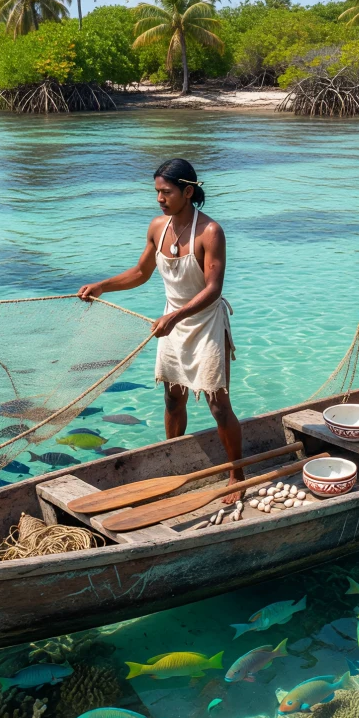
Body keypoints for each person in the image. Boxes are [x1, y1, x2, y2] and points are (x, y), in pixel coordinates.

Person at [78, 159, 244, 501]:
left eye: (166, 192)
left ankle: (236, 474)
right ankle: (173, 461)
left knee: (217, 404)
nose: (159, 199)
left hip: (205, 322)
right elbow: (141, 272)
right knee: (172, 398)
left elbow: (213, 288)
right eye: (156, 192)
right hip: (172, 323)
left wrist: (175, 317)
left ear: (187, 191)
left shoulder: (210, 232)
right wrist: (102, 285)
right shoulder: (158, 227)